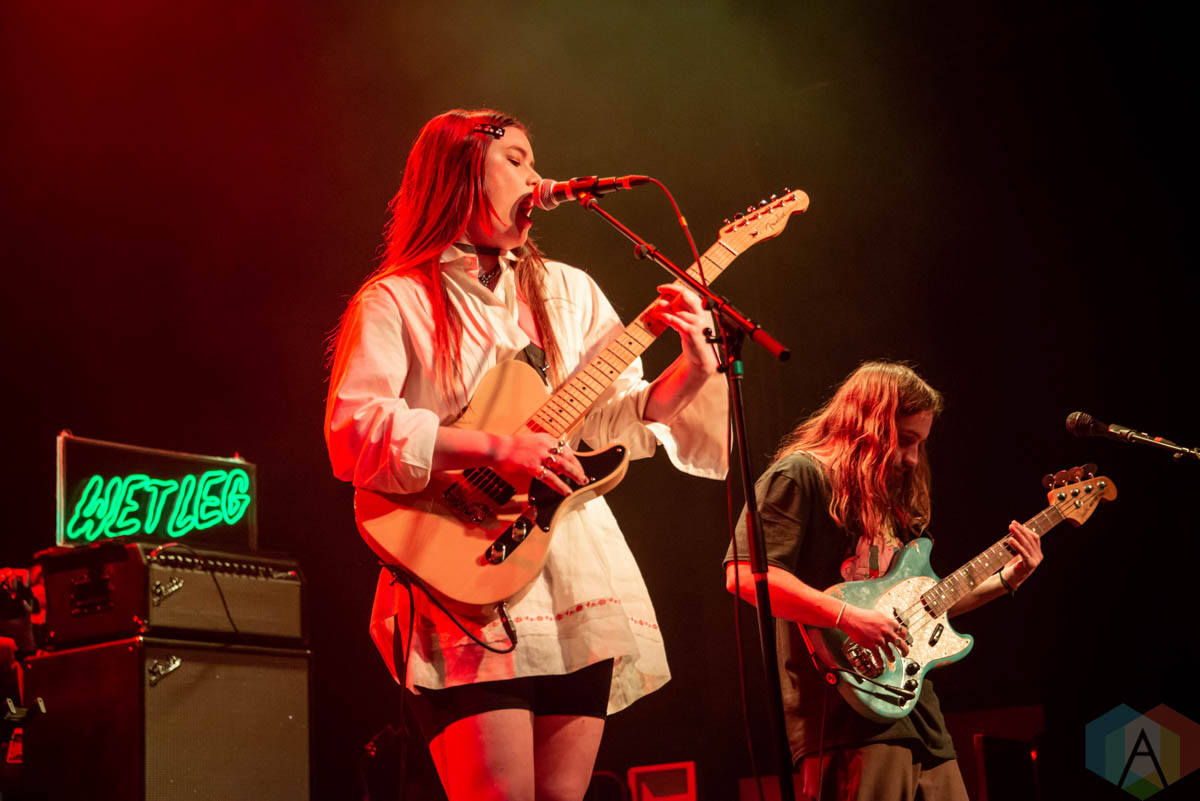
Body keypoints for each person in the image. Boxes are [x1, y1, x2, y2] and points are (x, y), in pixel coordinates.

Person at [324, 109, 727, 801]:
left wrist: (692, 368)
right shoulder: (396, 298)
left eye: (535, 161)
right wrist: (496, 448)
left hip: (573, 572)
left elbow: (613, 420)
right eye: (516, 160)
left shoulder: (569, 290)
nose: (538, 178)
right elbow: (357, 429)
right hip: (460, 571)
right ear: (457, 175)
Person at [724, 361, 1043, 800]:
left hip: (918, 712)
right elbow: (745, 575)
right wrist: (848, 617)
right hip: (843, 714)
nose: (912, 458)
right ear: (868, 424)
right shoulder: (799, 475)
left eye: (920, 444)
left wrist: (1008, 578)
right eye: (905, 440)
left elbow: (929, 605)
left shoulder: (890, 498)